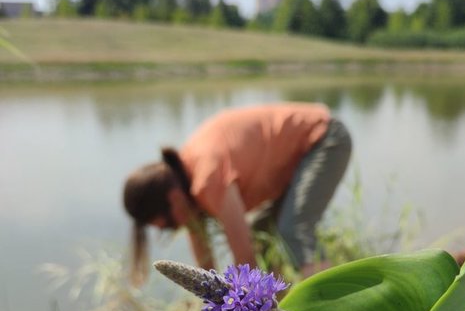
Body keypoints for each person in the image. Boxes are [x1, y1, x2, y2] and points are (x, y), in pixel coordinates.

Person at [123, 102, 352, 284]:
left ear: (173, 199)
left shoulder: (207, 176)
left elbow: (245, 258)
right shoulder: (187, 180)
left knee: (294, 228)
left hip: (322, 138)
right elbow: (204, 262)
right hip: (298, 159)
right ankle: (284, 310)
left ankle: (333, 310)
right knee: (262, 232)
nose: (178, 227)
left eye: (169, 224)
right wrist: (212, 299)